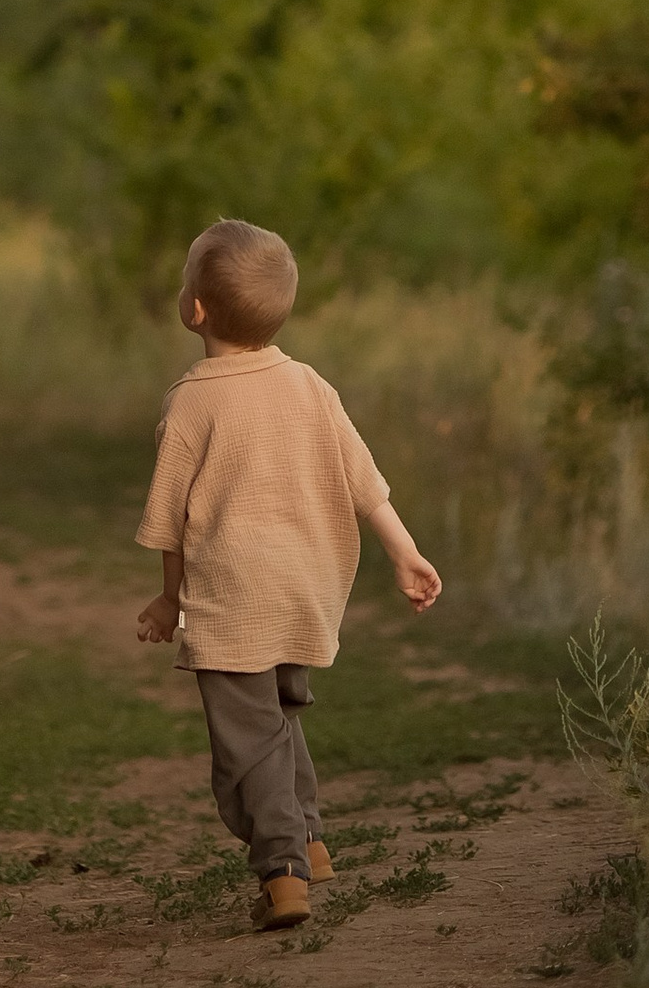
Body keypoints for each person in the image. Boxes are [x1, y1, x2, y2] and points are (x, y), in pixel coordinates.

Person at [134, 215, 443, 932]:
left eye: (187, 280)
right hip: (306, 590)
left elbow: (170, 524)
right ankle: (309, 836)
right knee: (277, 720)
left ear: (196, 310)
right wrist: (404, 551)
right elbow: (363, 479)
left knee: (245, 748)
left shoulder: (192, 402)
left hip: (234, 599)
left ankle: (282, 872)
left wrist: (169, 599)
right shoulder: (309, 385)